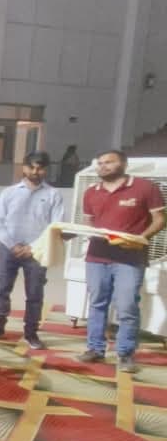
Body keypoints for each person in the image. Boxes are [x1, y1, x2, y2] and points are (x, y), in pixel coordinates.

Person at [77, 150, 164, 373]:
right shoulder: (91, 192)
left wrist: (141, 239)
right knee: (97, 304)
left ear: (123, 164)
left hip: (130, 259)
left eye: (109, 162)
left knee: (127, 306)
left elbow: (160, 219)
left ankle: (125, 354)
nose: (103, 166)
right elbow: (89, 223)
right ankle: (95, 349)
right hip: (97, 257)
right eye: (100, 163)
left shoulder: (145, 188)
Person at [0, 152, 64, 349]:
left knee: (35, 293)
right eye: (31, 167)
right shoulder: (9, 193)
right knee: (1, 288)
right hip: (8, 249)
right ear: (24, 168)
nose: (35, 171)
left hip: (37, 252)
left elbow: (56, 226)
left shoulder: (53, 195)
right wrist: (13, 245)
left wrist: (32, 248)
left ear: (46, 169)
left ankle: (31, 333)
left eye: (40, 168)